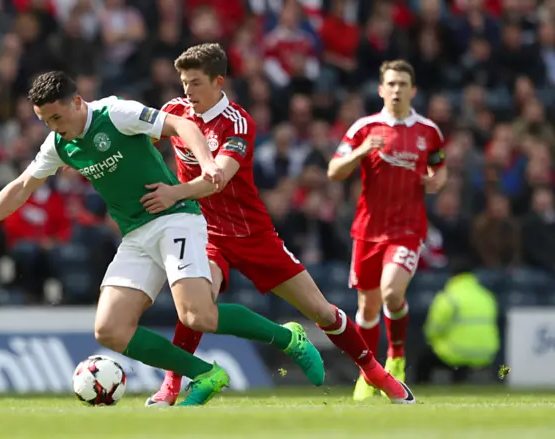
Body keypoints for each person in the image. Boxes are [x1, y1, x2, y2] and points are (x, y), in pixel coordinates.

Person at [0, 71, 326, 406]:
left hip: (175, 220)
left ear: (78, 102)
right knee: (109, 329)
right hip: (135, 235)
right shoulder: (58, 144)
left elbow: (184, 126)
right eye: (44, 120)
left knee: (197, 315)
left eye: (56, 117)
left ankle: (289, 338)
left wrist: (208, 163)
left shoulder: (116, 114)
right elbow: (20, 187)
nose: (53, 126)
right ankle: (206, 373)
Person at [140, 43, 414, 406]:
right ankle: (172, 383)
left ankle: (374, 372)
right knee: (194, 308)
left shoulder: (237, 122)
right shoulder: (175, 111)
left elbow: (218, 178)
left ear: (218, 81)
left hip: (252, 233)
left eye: (195, 83)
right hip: (202, 231)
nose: (187, 92)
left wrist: (174, 192)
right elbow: (137, 137)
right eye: (184, 83)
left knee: (322, 311)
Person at [327, 59, 447, 400]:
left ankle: (396, 357)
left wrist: (436, 182)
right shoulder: (363, 129)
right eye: (391, 84)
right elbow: (334, 171)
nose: (396, 90)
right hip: (367, 230)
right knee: (367, 308)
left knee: (392, 293)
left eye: (402, 84)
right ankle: (370, 374)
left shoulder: (428, 131)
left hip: (407, 229)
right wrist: (362, 152)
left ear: (413, 90)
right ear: (381, 89)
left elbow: (440, 167)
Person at [416, 258, 500, 384]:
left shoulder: (448, 297)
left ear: (452, 275)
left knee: (424, 360)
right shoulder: (487, 296)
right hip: (485, 353)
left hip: (456, 352)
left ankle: (421, 390)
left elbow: (432, 330)